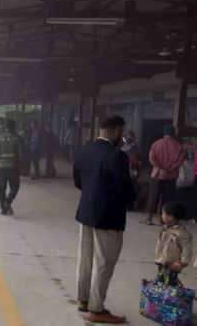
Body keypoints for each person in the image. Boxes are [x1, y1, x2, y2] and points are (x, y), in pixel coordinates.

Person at [73, 115, 135, 324]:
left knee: (85, 259)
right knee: (103, 263)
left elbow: (78, 181)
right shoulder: (117, 156)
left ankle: (83, 300)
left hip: (86, 212)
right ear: (118, 131)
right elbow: (124, 190)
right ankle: (96, 310)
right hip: (108, 217)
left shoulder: (85, 150)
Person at [142, 124, 184, 225]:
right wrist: (170, 169)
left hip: (157, 175)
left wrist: (161, 169)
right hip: (171, 176)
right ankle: (163, 219)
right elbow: (180, 161)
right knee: (167, 199)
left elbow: (152, 159)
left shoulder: (156, 144)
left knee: (153, 197)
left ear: (164, 133)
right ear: (173, 133)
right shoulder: (178, 146)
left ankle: (149, 218)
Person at [154, 202, 192, 287]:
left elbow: (187, 249)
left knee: (170, 285)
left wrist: (182, 263)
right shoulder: (165, 228)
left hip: (172, 265)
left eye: (163, 214)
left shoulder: (181, 233)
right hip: (162, 262)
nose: (161, 216)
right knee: (160, 284)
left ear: (170, 217)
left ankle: (168, 300)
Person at [0, 118, 23, 216]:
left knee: (1, 188)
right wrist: (21, 164)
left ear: (5, 126)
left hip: (1, 166)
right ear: (14, 126)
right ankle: (8, 202)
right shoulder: (18, 138)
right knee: (15, 187)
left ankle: (3, 208)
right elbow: (21, 155)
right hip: (13, 166)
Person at [120, 130, 142, 210]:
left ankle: (128, 205)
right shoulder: (135, 149)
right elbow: (139, 162)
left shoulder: (123, 148)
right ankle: (129, 205)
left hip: (126, 172)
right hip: (132, 172)